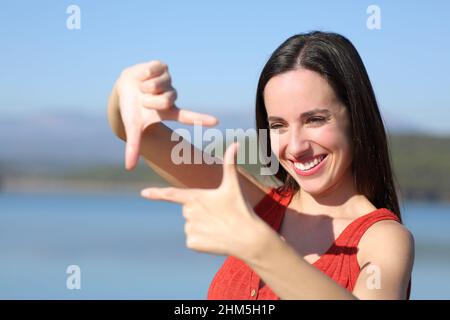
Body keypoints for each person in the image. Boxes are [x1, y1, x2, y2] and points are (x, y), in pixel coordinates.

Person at [107, 31, 414, 300]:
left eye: (315, 120)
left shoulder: (384, 239)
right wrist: (126, 90)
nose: (295, 146)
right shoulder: (256, 204)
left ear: (355, 118)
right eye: (278, 125)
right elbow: (133, 129)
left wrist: (260, 247)